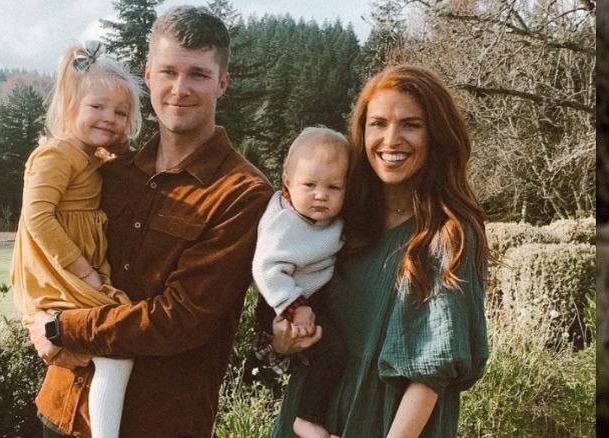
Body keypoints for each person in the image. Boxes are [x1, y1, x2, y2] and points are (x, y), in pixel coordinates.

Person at [27, 5, 273, 437]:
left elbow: (180, 320)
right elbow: (43, 240)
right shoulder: (108, 171)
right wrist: (38, 314)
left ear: (223, 82)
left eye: (197, 74)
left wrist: (62, 327)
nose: (180, 88)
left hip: (157, 423)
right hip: (63, 407)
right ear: (149, 74)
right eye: (168, 72)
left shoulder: (241, 194)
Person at [267, 64, 491, 437]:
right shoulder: (340, 220)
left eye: (411, 124)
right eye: (378, 123)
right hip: (310, 415)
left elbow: (431, 373)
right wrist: (284, 340)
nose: (392, 139)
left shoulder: (447, 233)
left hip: (391, 423)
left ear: (436, 134)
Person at [9, 40, 143, 438]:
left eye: (121, 112)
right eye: (97, 107)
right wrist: (85, 273)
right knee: (117, 349)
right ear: (70, 106)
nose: (110, 117)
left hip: (69, 272)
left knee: (91, 350)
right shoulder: (56, 155)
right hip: (61, 273)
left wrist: (119, 146)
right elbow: (36, 217)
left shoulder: (90, 158)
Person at [251, 127, 350, 438]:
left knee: (325, 354)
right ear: (287, 185)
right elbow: (266, 268)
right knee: (331, 350)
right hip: (284, 301)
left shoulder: (321, 219)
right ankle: (306, 418)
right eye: (310, 185)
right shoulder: (285, 223)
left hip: (305, 295)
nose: (321, 195)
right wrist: (296, 307)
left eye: (334, 187)